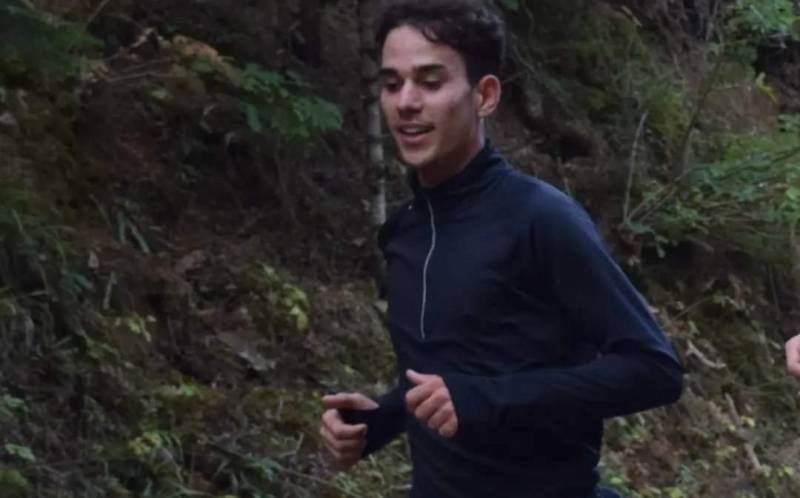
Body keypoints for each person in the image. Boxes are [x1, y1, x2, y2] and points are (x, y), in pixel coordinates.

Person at [319, 1, 684, 497]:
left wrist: (487, 399)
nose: (405, 102)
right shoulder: (404, 233)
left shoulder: (541, 219)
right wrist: (376, 422)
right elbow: (447, 375)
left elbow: (654, 371)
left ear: (485, 95)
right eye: (391, 83)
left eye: (430, 82)